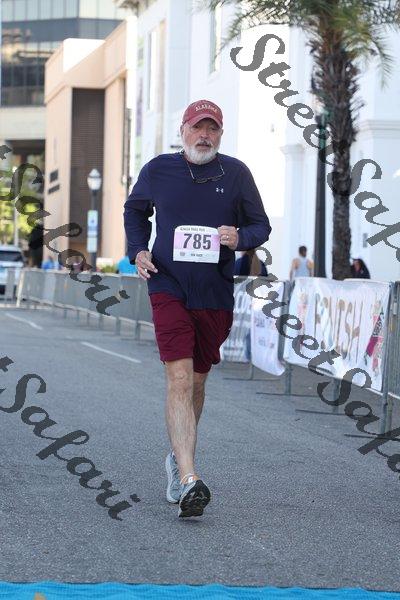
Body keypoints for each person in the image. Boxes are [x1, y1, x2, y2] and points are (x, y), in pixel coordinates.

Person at [124, 99, 271, 518]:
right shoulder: (158, 170)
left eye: (212, 129)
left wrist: (239, 237)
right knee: (179, 376)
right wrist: (137, 250)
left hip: (214, 291)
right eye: (197, 127)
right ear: (183, 130)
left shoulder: (236, 174)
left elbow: (260, 225)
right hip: (167, 283)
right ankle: (190, 478)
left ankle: (176, 457)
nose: (204, 135)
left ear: (220, 134)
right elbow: (135, 211)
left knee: (198, 381)